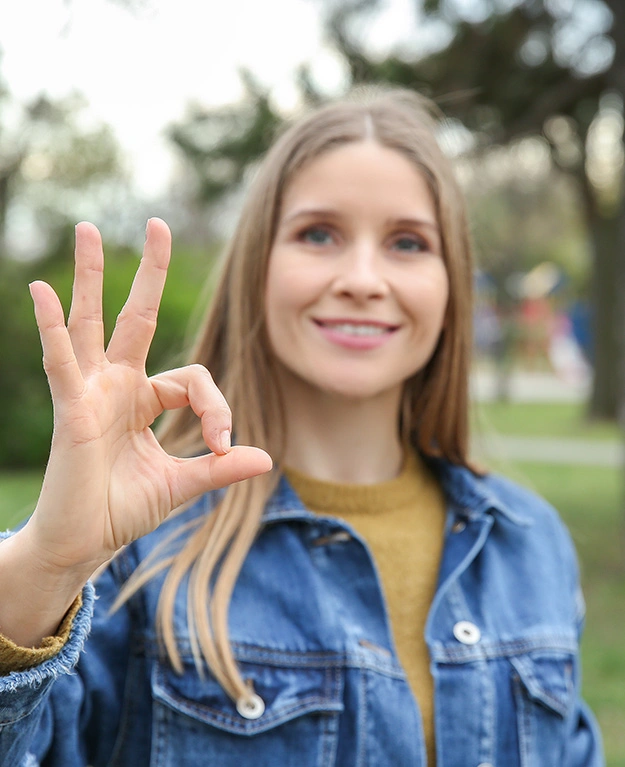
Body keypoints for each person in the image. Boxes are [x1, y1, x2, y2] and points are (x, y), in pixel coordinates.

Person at [0, 89, 603, 767]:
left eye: (407, 242)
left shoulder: (531, 543)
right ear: (257, 266)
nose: (362, 278)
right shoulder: (137, 554)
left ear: (450, 285)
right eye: (318, 234)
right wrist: (46, 569)